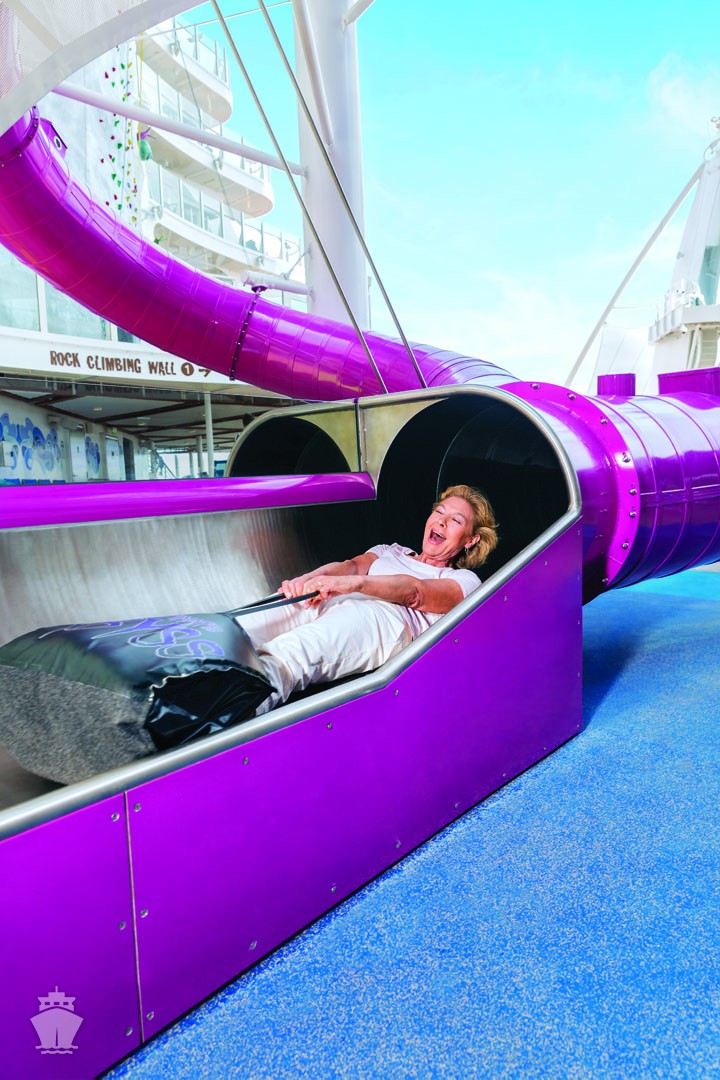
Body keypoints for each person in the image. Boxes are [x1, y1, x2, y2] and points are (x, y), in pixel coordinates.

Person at [239, 485, 498, 715]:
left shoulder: (465, 581)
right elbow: (350, 566)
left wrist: (354, 584)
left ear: (470, 539)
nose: (442, 522)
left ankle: (227, 712)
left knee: (291, 652)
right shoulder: (391, 551)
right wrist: (307, 580)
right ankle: (213, 664)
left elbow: (414, 592)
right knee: (251, 622)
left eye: (455, 520)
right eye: (439, 512)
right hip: (346, 594)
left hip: (389, 619)